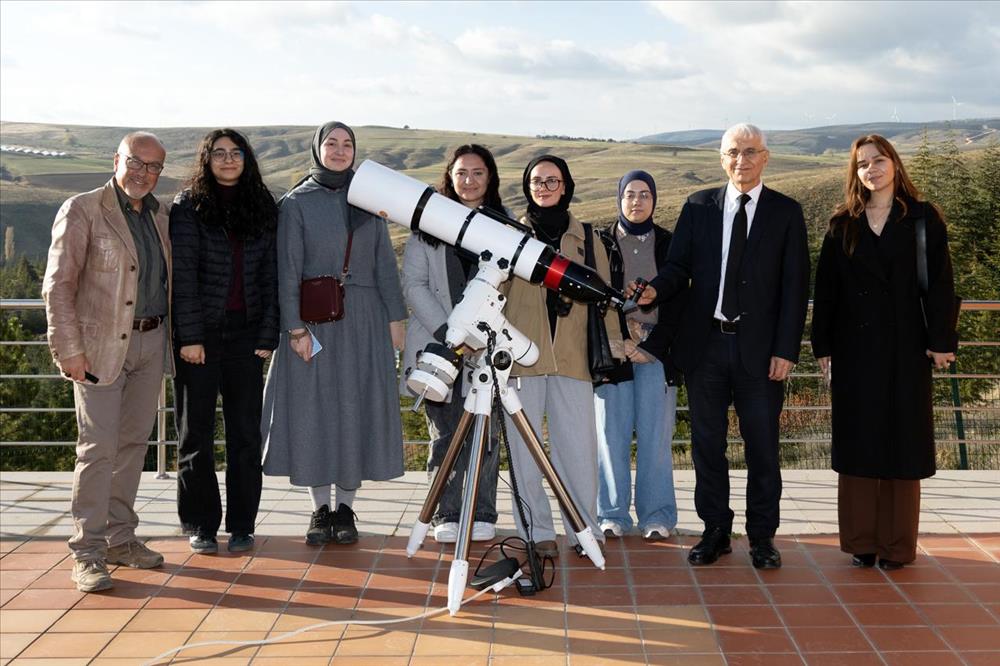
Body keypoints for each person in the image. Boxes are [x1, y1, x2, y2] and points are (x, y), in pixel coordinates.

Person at [632, 124, 810, 569]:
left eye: (750, 152)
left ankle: (763, 537)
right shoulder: (698, 206)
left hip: (761, 353)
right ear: (721, 158)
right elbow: (678, 268)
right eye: (733, 152)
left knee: (762, 447)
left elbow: (795, 286)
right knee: (707, 446)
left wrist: (786, 349)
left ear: (765, 157)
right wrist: (655, 290)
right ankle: (715, 531)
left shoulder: (786, 212)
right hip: (705, 348)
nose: (741, 160)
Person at [812, 135, 958, 571]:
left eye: (878, 161)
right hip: (853, 350)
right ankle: (861, 541)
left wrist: (941, 341)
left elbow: (941, 283)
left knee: (903, 441)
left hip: (906, 348)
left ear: (895, 164)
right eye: (862, 164)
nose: (871, 170)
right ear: (854, 173)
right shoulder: (842, 224)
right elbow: (826, 290)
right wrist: (823, 346)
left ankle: (897, 546)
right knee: (858, 441)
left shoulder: (923, 219)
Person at [261, 121, 406, 546]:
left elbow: (385, 265)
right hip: (314, 322)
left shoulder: (369, 201)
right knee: (316, 413)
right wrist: (294, 328)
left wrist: (396, 319)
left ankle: (346, 508)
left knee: (354, 409)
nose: (340, 151)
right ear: (317, 149)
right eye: (332, 143)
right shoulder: (296, 203)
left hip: (365, 322)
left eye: (347, 144)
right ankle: (319, 509)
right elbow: (287, 270)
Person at [42, 132, 172, 592]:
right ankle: (87, 552)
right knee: (97, 450)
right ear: (116, 159)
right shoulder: (82, 209)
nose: (143, 173)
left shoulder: (161, 215)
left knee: (133, 446)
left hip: (152, 343)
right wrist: (68, 349)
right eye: (136, 162)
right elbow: (58, 286)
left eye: (153, 167)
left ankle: (120, 540)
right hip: (98, 349)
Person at [502, 155, 622, 559]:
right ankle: (535, 532)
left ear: (566, 185)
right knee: (524, 454)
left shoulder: (588, 237)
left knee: (578, 452)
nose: (544, 187)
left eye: (552, 180)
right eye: (537, 181)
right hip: (522, 361)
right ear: (527, 186)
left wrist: (613, 350)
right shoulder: (509, 234)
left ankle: (584, 531)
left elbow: (604, 299)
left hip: (573, 360)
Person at [170, 129, 279, 554]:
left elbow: (271, 275)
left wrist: (267, 332)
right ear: (207, 159)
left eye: (236, 153)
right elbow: (183, 276)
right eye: (219, 153)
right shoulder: (189, 206)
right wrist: (190, 336)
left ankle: (242, 525)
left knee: (246, 435)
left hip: (247, 337)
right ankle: (200, 523)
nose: (228, 159)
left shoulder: (263, 205)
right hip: (200, 337)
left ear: (247, 159)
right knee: (194, 434)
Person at [400, 145, 511, 544]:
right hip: (438, 345)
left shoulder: (504, 227)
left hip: (485, 347)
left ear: (490, 177)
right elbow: (413, 285)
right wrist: (451, 331)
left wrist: (477, 335)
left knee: (486, 436)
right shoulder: (427, 226)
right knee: (444, 434)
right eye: (461, 172)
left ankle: (482, 512)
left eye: (478, 172)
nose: (469, 180)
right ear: (449, 176)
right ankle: (446, 512)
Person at [595, 170, 685, 541]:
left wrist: (650, 346)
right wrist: (620, 338)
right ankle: (611, 514)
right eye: (630, 194)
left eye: (645, 194)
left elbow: (680, 300)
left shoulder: (670, 244)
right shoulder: (600, 242)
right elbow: (594, 296)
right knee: (610, 436)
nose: (637, 201)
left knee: (655, 439)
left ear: (655, 200)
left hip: (657, 354)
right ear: (619, 198)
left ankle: (657, 516)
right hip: (613, 350)